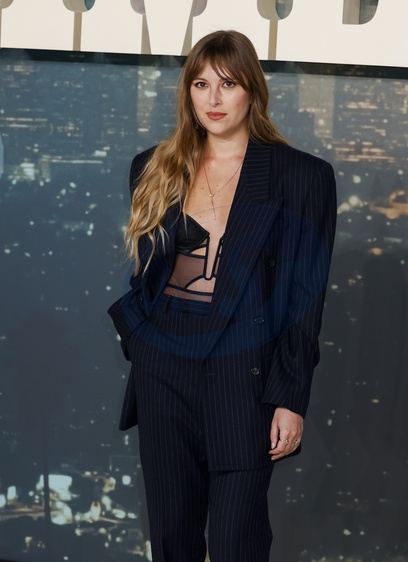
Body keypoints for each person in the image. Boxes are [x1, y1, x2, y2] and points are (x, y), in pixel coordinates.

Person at [108, 29, 336, 562]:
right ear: (187, 91)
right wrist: (140, 341)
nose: (213, 98)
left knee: (237, 543)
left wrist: (290, 397)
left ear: (252, 90)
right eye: (201, 84)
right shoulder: (153, 165)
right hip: (164, 372)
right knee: (173, 540)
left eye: (228, 84)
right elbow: (148, 273)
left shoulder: (302, 176)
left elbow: (306, 298)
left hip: (244, 376)